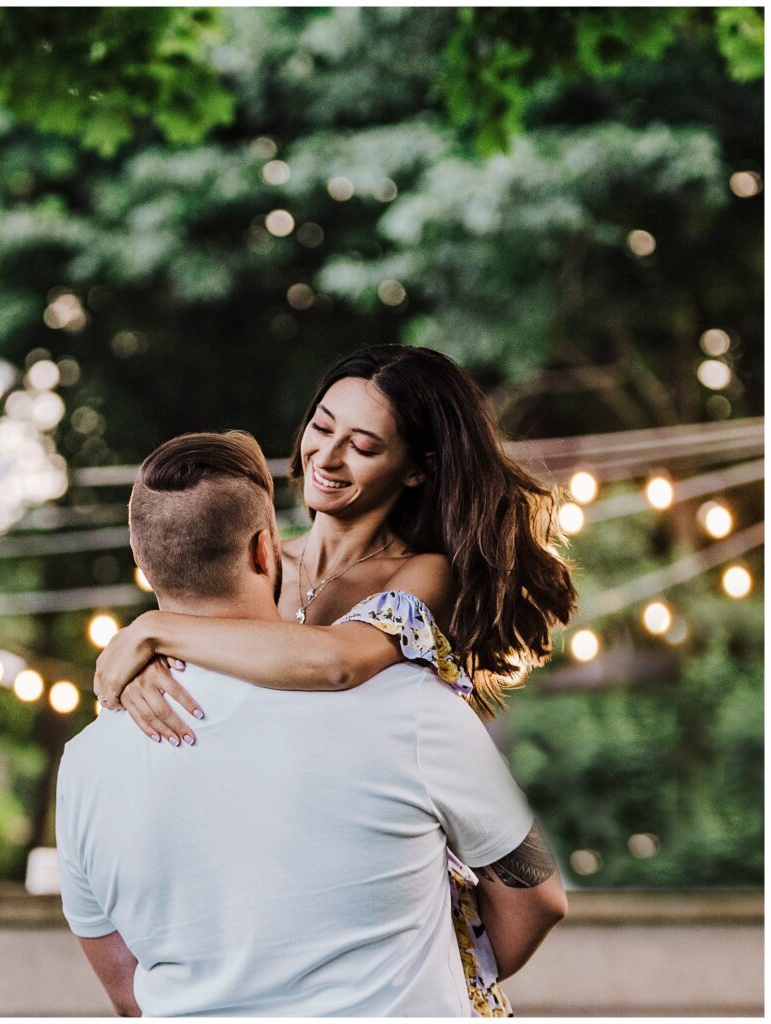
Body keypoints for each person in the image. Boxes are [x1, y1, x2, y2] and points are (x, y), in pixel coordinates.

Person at [94, 344, 577, 1015]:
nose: (327, 457)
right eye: (322, 427)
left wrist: (149, 632)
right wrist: (141, 672)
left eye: (364, 445)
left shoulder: (420, 575)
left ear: (417, 470)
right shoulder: (255, 564)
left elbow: (336, 663)